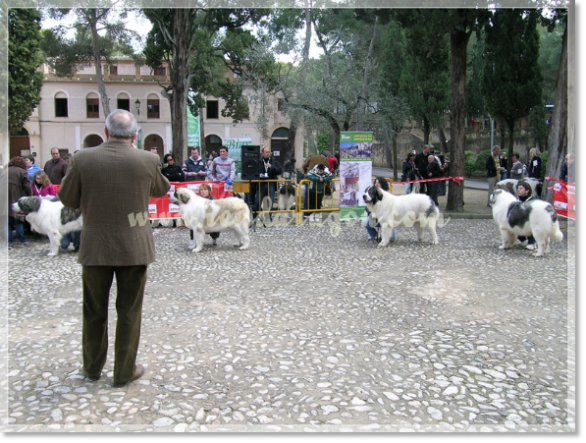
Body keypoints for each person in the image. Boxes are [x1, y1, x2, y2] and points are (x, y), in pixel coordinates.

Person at [57, 109, 170, 387]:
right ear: (134, 135)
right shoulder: (148, 158)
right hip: (135, 246)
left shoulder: (82, 158)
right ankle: (124, 371)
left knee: (94, 310)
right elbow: (161, 189)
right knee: (129, 311)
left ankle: (92, 367)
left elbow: (67, 198)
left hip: (96, 247)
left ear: (105, 132)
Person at [249, 146, 282, 220]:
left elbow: (280, 170)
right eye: (266, 152)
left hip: (271, 184)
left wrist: (272, 167)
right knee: (258, 201)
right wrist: (259, 174)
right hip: (261, 184)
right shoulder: (258, 161)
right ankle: (254, 217)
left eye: (269, 152)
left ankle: (268, 218)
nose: (268, 154)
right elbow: (254, 171)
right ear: (262, 153)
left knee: (270, 201)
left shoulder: (274, 160)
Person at [8, 156, 32, 248]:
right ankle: (22, 240)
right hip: (16, 196)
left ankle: (9, 242)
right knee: (18, 220)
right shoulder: (22, 172)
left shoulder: (6, 170)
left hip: (4, 198)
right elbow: (27, 186)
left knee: (8, 221)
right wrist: (30, 197)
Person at [364, 176, 396, 243]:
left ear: (383, 184)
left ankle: (385, 235)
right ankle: (373, 235)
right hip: (374, 217)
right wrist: (370, 214)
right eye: (376, 182)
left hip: (386, 219)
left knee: (392, 239)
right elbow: (367, 206)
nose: (376, 184)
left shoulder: (388, 195)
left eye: (379, 182)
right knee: (365, 222)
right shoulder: (370, 194)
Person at [516, 180, 537, 250]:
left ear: (527, 191)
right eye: (518, 188)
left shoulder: (532, 201)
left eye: (521, 188)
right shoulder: (517, 201)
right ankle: (522, 239)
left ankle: (532, 242)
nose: (518, 190)